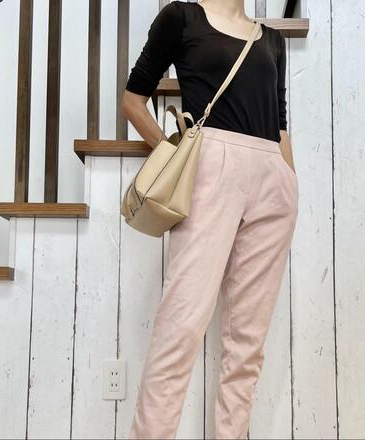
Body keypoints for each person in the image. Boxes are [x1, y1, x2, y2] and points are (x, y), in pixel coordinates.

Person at [120, 0, 298, 438]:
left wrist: (289, 182)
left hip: (272, 183)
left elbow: (279, 125)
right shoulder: (182, 18)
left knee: (248, 342)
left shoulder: (272, 41)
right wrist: (175, 157)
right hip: (210, 170)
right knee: (180, 326)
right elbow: (133, 101)